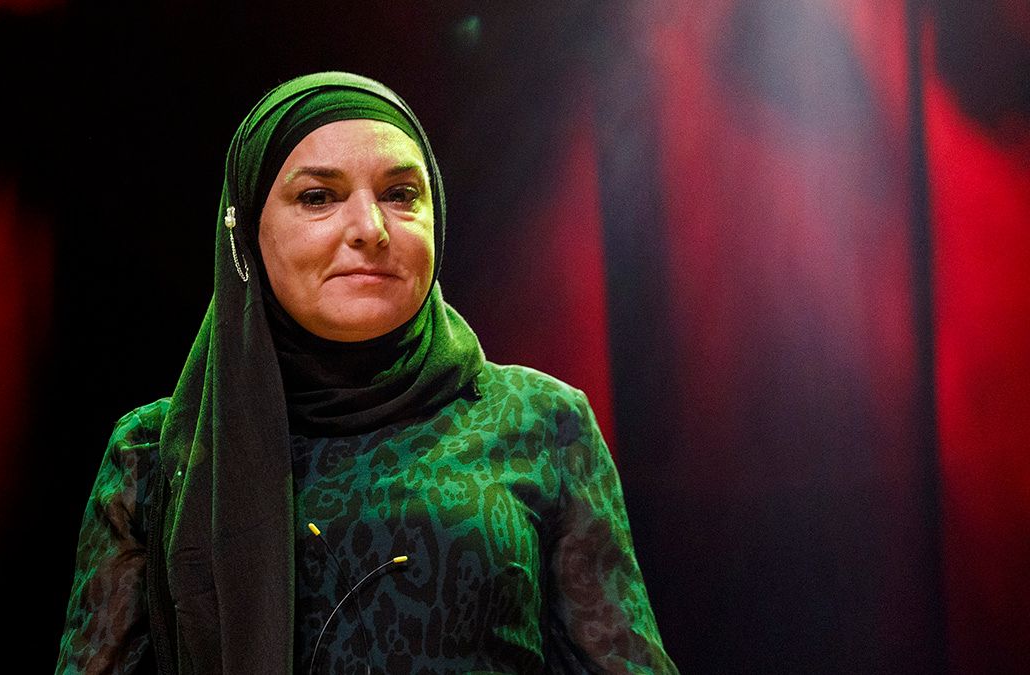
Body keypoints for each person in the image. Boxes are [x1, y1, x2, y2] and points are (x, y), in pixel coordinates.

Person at [56, 71, 677, 674]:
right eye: (318, 197)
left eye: (401, 194)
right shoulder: (156, 454)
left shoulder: (540, 420)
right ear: (245, 231)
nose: (370, 230)